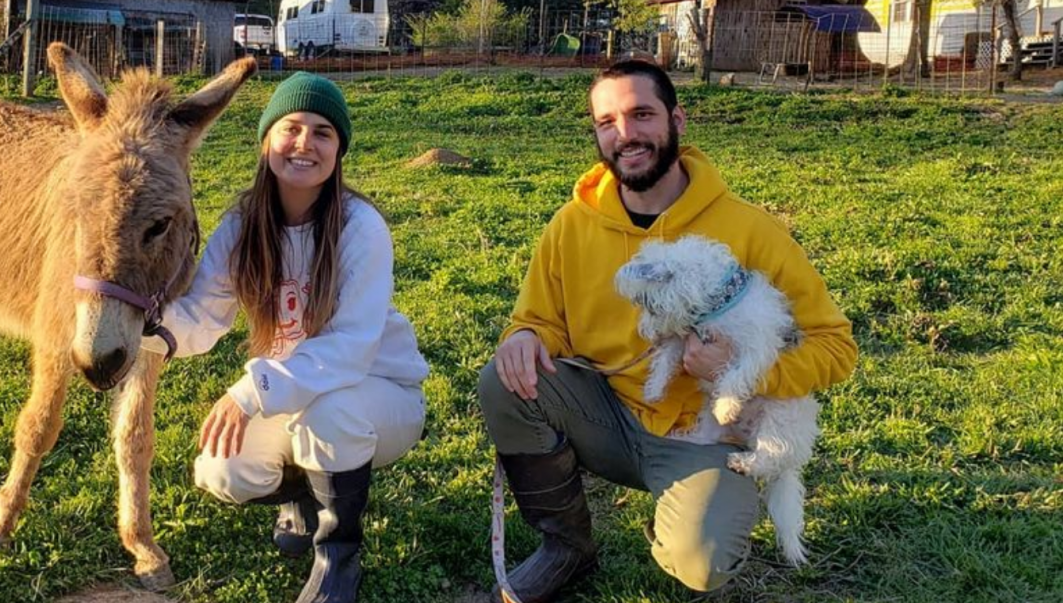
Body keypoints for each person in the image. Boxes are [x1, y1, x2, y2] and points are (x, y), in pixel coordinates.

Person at [478, 59, 857, 601]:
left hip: (709, 431)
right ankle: (566, 548)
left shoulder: (750, 230)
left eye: (641, 115)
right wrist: (522, 336)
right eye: (607, 122)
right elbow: (538, 320)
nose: (625, 134)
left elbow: (836, 347)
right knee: (501, 381)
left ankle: (689, 512)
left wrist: (742, 373)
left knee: (700, 562)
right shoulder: (571, 224)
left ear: (678, 119)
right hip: (605, 414)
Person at [152, 71, 428, 603]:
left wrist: (248, 393)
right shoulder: (242, 224)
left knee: (330, 417)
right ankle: (303, 494)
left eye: (323, 132)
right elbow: (203, 315)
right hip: (294, 392)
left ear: (339, 148)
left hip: (380, 393)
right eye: (291, 128)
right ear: (267, 141)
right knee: (222, 469)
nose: (305, 144)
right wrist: (145, 330)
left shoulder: (360, 225)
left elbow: (350, 348)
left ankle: (338, 557)